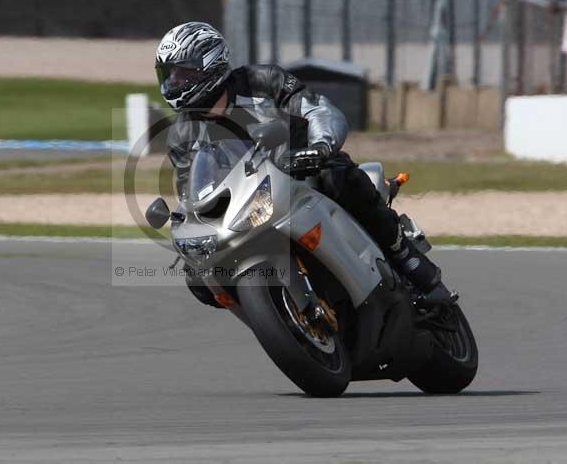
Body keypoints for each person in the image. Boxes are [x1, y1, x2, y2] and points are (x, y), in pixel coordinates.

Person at [156, 22, 457, 308]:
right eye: (168, 75)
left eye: (181, 75)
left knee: (337, 176)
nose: (172, 84)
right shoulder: (182, 136)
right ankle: (275, 312)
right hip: (249, 200)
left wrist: (320, 147)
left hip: (303, 168)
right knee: (198, 277)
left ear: (209, 63)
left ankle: (411, 263)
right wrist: (189, 224)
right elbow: (190, 191)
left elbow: (318, 109)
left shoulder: (262, 81)